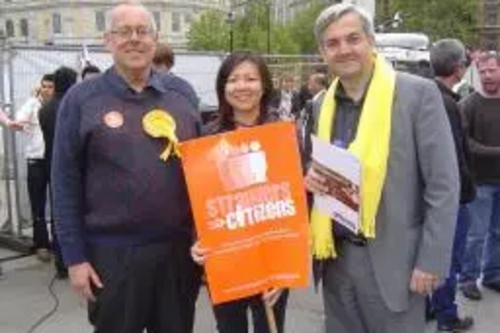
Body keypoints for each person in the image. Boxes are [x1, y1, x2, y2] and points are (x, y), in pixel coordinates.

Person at [304, 4, 459, 333]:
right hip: (336, 260)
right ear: (322, 51)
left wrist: (431, 261)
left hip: (397, 263)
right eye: (332, 43)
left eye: (353, 38)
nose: (344, 49)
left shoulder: (418, 95)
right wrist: (311, 177)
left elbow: (443, 185)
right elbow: (318, 167)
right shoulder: (320, 106)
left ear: (370, 41)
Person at [51, 2, 201, 333]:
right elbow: (64, 183)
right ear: (108, 40)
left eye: (142, 31)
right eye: (123, 31)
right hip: (111, 257)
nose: (134, 39)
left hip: (177, 255)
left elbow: (203, 171)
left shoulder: (182, 94)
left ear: (155, 39)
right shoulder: (81, 99)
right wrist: (74, 258)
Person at [191, 51, 288, 333]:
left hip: (272, 262)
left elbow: (296, 201)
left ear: (264, 85)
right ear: (223, 87)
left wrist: (286, 269)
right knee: (229, 327)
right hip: (225, 260)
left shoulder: (283, 134)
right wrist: (196, 241)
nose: (242, 86)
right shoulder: (206, 138)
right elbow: (196, 201)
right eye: (233, 79)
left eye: (250, 78)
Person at [429, 38, 475, 332]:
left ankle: (430, 307)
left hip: (431, 195)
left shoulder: (425, 95)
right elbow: (453, 156)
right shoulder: (446, 102)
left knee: (432, 255)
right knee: (449, 259)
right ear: (458, 68)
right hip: (451, 197)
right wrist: (465, 192)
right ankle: (447, 316)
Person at [459, 51, 500, 301]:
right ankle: (468, 278)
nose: (487, 76)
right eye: (482, 71)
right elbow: (467, 144)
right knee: (476, 234)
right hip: (480, 182)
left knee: (498, 232)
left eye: (492, 70)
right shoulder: (469, 104)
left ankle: (493, 274)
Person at [39, 66, 78, 278]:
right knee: (74, 213)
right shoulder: (71, 106)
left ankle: (61, 263)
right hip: (72, 166)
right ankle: (75, 259)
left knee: (58, 213)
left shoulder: (44, 109)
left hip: (50, 164)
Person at [15, 74, 55, 262]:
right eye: (44, 86)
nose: (47, 90)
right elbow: (19, 119)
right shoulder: (32, 104)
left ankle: (59, 243)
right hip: (36, 162)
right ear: (40, 88)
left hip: (54, 162)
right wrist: (32, 99)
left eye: (50, 86)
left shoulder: (57, 105)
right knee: (37, 205)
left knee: (58, 204)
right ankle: (42, 245)